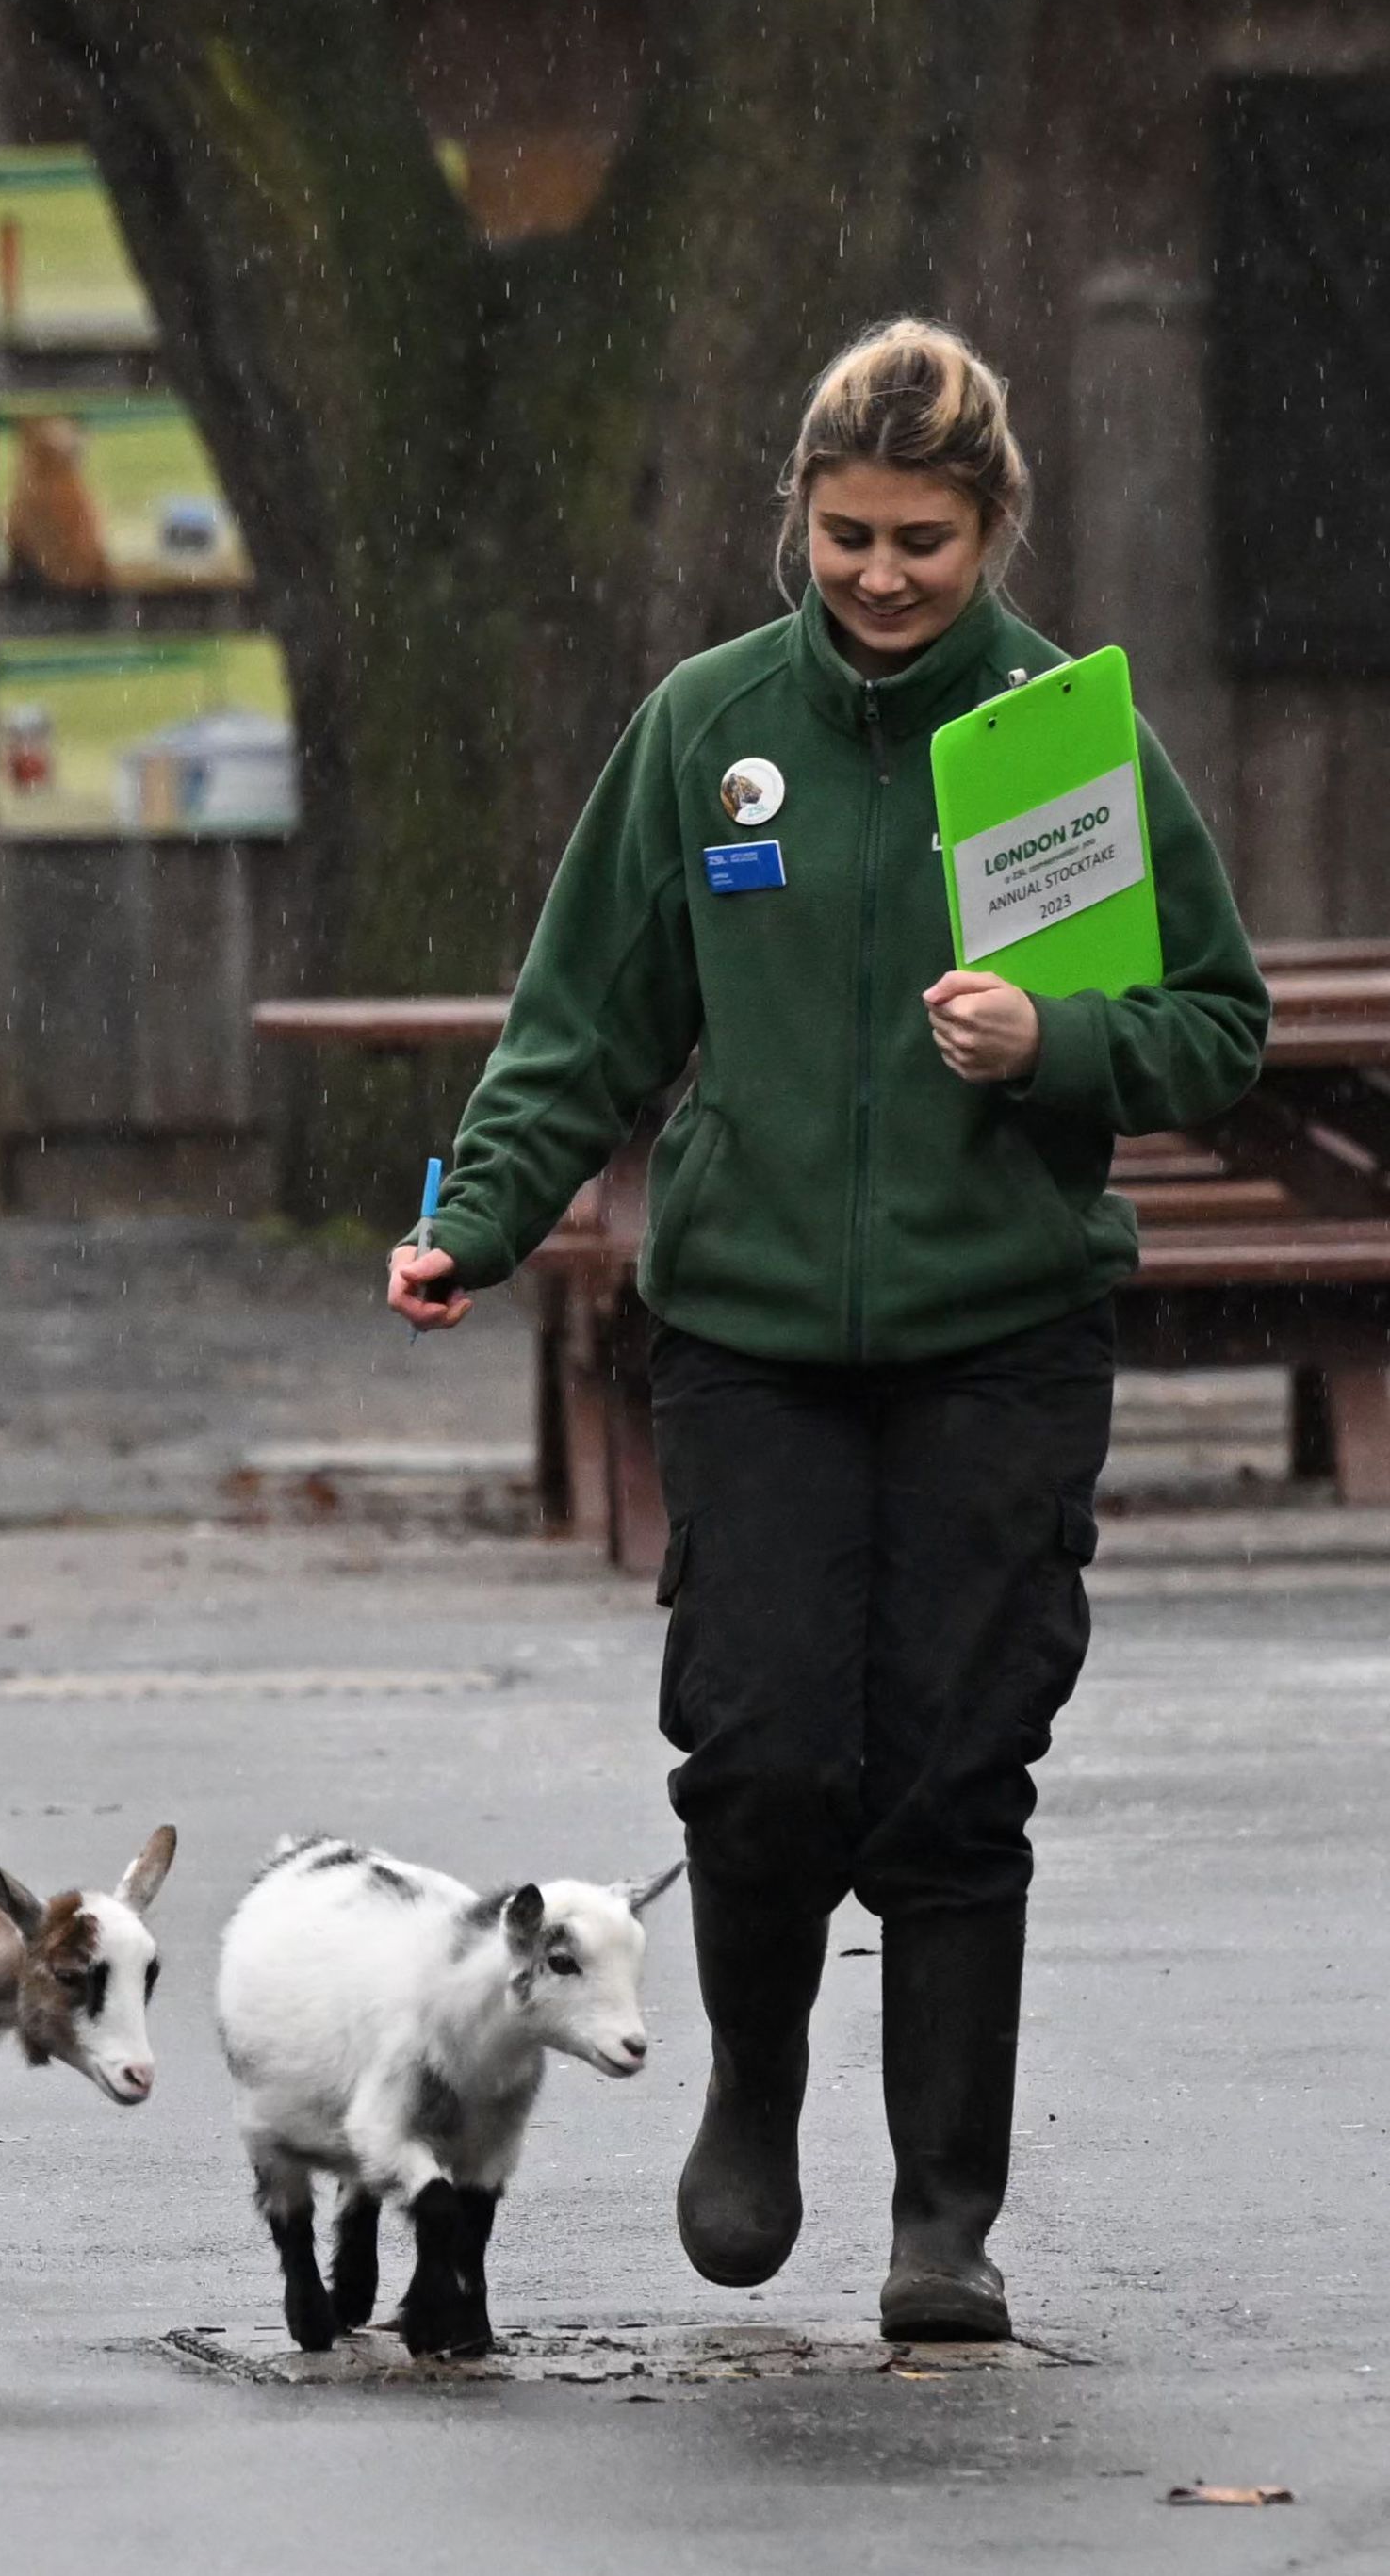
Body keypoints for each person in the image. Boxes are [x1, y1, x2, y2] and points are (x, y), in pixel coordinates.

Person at [389, 320, 1267, 2342]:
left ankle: (941, 2217)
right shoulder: (708, 729)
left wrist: (1056, 1039)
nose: (877, 573)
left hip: (999, 1329)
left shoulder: (1061, 737)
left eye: (923, 542)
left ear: (990, 532)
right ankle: (751, 2091)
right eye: (847, 530)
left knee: (954, 1774)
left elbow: (1214, 1030)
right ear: (797, 510)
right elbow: (581, 1021)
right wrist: (473, 1216)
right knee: (764, 1752)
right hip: (754, 1333)